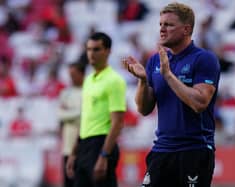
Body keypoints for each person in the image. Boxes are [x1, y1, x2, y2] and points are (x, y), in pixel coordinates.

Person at [123, 2, 220, 187]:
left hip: (194, 149)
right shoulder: (155, 61)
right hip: (161, 149)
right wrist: (143, 81)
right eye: (160, 24)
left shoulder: (204, 59)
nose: (162, 29)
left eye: (168, 25)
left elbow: (200, 103)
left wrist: (168, 76)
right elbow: (143, 109)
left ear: (186, 29)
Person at [66, 32, 127, 187]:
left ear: (108, 51)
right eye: (89, 49)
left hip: (101, 143)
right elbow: (84, 118)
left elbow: (118, 122)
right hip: (84, 145)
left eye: (96, 49)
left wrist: (104, 155)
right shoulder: (87, 81)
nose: (91, 54)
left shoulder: (114, 81)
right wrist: (74, 152)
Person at [57, 62, 85, 187]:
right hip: (68, 146)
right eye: (70, 75)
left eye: (73, 74)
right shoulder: (65, 93)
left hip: (84, 146)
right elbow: (60, 115)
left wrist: (70, 113)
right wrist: (79, 112)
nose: (71, 78)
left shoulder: (88, 91)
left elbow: (88, 116)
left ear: (81, 74)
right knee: (69, 182)